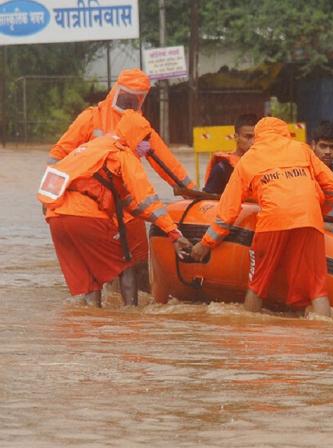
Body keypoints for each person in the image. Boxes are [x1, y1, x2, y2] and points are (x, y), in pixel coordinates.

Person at [48, 68, 195, 283]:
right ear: (116, 90)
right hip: (96, 208)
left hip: (128, 205)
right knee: (105, 269)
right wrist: (51, 198)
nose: (130, 101)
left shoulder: (139, 126)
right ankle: (117, 309)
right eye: (127, 95)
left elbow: (165, 162)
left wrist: (190, 191)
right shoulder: (91, 118)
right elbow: (57, 158)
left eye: (136, 97)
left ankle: (132, 312)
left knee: (139, 262)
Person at [38, 110, 192, 307]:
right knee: (125, 264)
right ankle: (131, 315)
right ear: (135, 135)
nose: (145, 147)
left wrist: (161, 226)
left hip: (56, 218)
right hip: (85, 216)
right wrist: (174, 234)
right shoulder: (123, 154)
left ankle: (93, 324)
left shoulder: (91, 148)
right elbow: (146, 198)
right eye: (144, 140)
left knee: (90, 279)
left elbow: (132, 204)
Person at [190, 117, 333, 317]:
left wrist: (206, 243)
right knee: (317, 288)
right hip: (309, 220)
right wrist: (318, 211)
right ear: (284, 132)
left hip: (272, 221)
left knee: (257, 284)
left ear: (258, 136)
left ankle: (251, 332)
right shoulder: (301, 149)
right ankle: (325, 331)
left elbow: (227, 212)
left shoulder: (248, 160)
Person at [202, 113, 259, 194]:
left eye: (256, 137)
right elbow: (208, 201)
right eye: (248, 137)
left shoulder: (266, 166)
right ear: (236, 137)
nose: (253, 142)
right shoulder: (222, 169)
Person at [310, 120, 333, 231]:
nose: (328, 151)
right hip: (313, 225)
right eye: (323, 146)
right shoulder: (306, 169)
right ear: (313, 145)